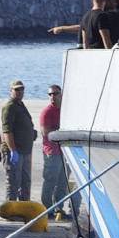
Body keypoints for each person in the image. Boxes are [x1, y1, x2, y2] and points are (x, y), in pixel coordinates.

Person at [39, 85, 71, 221]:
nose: (53, 96)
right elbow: (45, 131)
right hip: (52, 151)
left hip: (65, 151)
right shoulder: (47, 112)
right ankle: (46, 209)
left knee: (62, 182)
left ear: (61, 94)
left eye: (55, 94)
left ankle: (59, 208)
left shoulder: (66, 110)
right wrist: (61, 132)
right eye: (50, 94)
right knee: (50, 181)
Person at [1, 80, 35, 202]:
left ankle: (23, 207)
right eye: (16, 89)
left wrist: (32, 133)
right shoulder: (10, 106)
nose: (20, 91)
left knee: (25, 182)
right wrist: (12, 150)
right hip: (15, 151)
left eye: (21, 89)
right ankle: (10, 209)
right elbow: (7, 131)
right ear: (11, 91)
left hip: (25, 151)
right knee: (13, 182)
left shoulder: (20, 105)